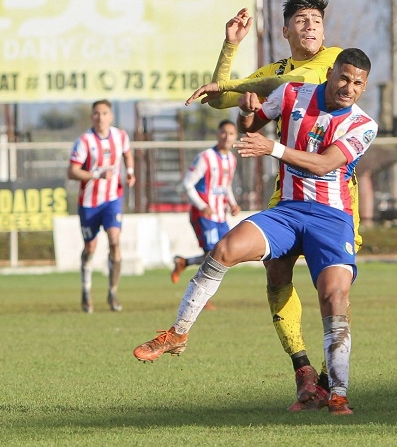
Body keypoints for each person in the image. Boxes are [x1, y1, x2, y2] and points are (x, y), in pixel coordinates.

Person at [134, 48, 377, 416]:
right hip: (288, 210)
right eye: (344, 78)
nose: (349, 88)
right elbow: (251, 126)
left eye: (358, 83)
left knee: (334, 296)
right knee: (224, 249)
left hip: (333, 217)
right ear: (330, 73)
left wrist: (274, 148)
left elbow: (325, 163)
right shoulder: (293, 92)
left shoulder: (363, 125)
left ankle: (337, 393)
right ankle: (178, 334)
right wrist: (248, 110)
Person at [185, 0, 358, 411]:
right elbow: (221, 101)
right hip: (288, 193)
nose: (310, 27)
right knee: (276, 274)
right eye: (301, 20)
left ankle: (333, 380)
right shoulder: (275, 72)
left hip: (335, 198)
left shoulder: (333, 62)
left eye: (316, 19)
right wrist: (231, 48)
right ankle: (304, 374)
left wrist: (238, 87)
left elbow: (280, 83)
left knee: (333, 292)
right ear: (286, 31)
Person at [67, 99, 135, 313]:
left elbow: (127, 154)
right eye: (96, 113)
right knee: (90, 247)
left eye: (104, 113)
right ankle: (86, 290)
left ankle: (113, 292)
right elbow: (72, 172)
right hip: (89, 202)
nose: (100, 117)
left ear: (110, 116)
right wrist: (96, 174)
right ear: (91, 117)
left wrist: (130, 172)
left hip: (113, 199)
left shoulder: (120, 136)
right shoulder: (84, 141)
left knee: (115, 241)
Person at [171, 120, 241, 312]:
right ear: (218, 134)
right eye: (224, 132)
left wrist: (232, 203)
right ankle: (200, 297)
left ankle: (185, 262)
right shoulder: (206, 157)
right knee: (213, 255)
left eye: (231, 133)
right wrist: (202, 206)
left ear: (235, 137)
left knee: (225, 254)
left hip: (220, 216)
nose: (227, 137)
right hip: (203, 215)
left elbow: (225, 185)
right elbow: (187, 184)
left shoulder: (231, 160)